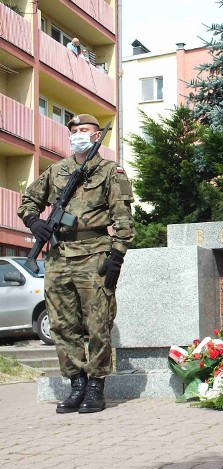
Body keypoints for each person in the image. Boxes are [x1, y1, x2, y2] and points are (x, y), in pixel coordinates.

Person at [18, 114, 135, 414]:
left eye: (84, 130)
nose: (78, 134)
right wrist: (34, 222)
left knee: (97, 324)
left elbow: (123, 219)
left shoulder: (110, 171)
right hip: (58, 257)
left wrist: (117, 256)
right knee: (62, 325)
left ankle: (96, 385)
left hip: (95, 254)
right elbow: (28, 201)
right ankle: (76, 384)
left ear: (97, 136)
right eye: (74, 130)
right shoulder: (57, 170)